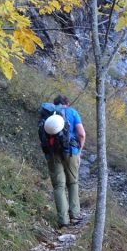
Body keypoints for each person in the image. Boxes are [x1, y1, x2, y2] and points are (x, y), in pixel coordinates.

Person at [45, 94, 85, 228]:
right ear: (67, 103)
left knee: (59, 186)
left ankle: (63, 220)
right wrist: (79, 151)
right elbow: (81, 134)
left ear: (55, 103)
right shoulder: (72, 112)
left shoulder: (48, 113)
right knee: (72, 182)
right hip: (71, 151)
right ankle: (74, 215)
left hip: (52, 153)